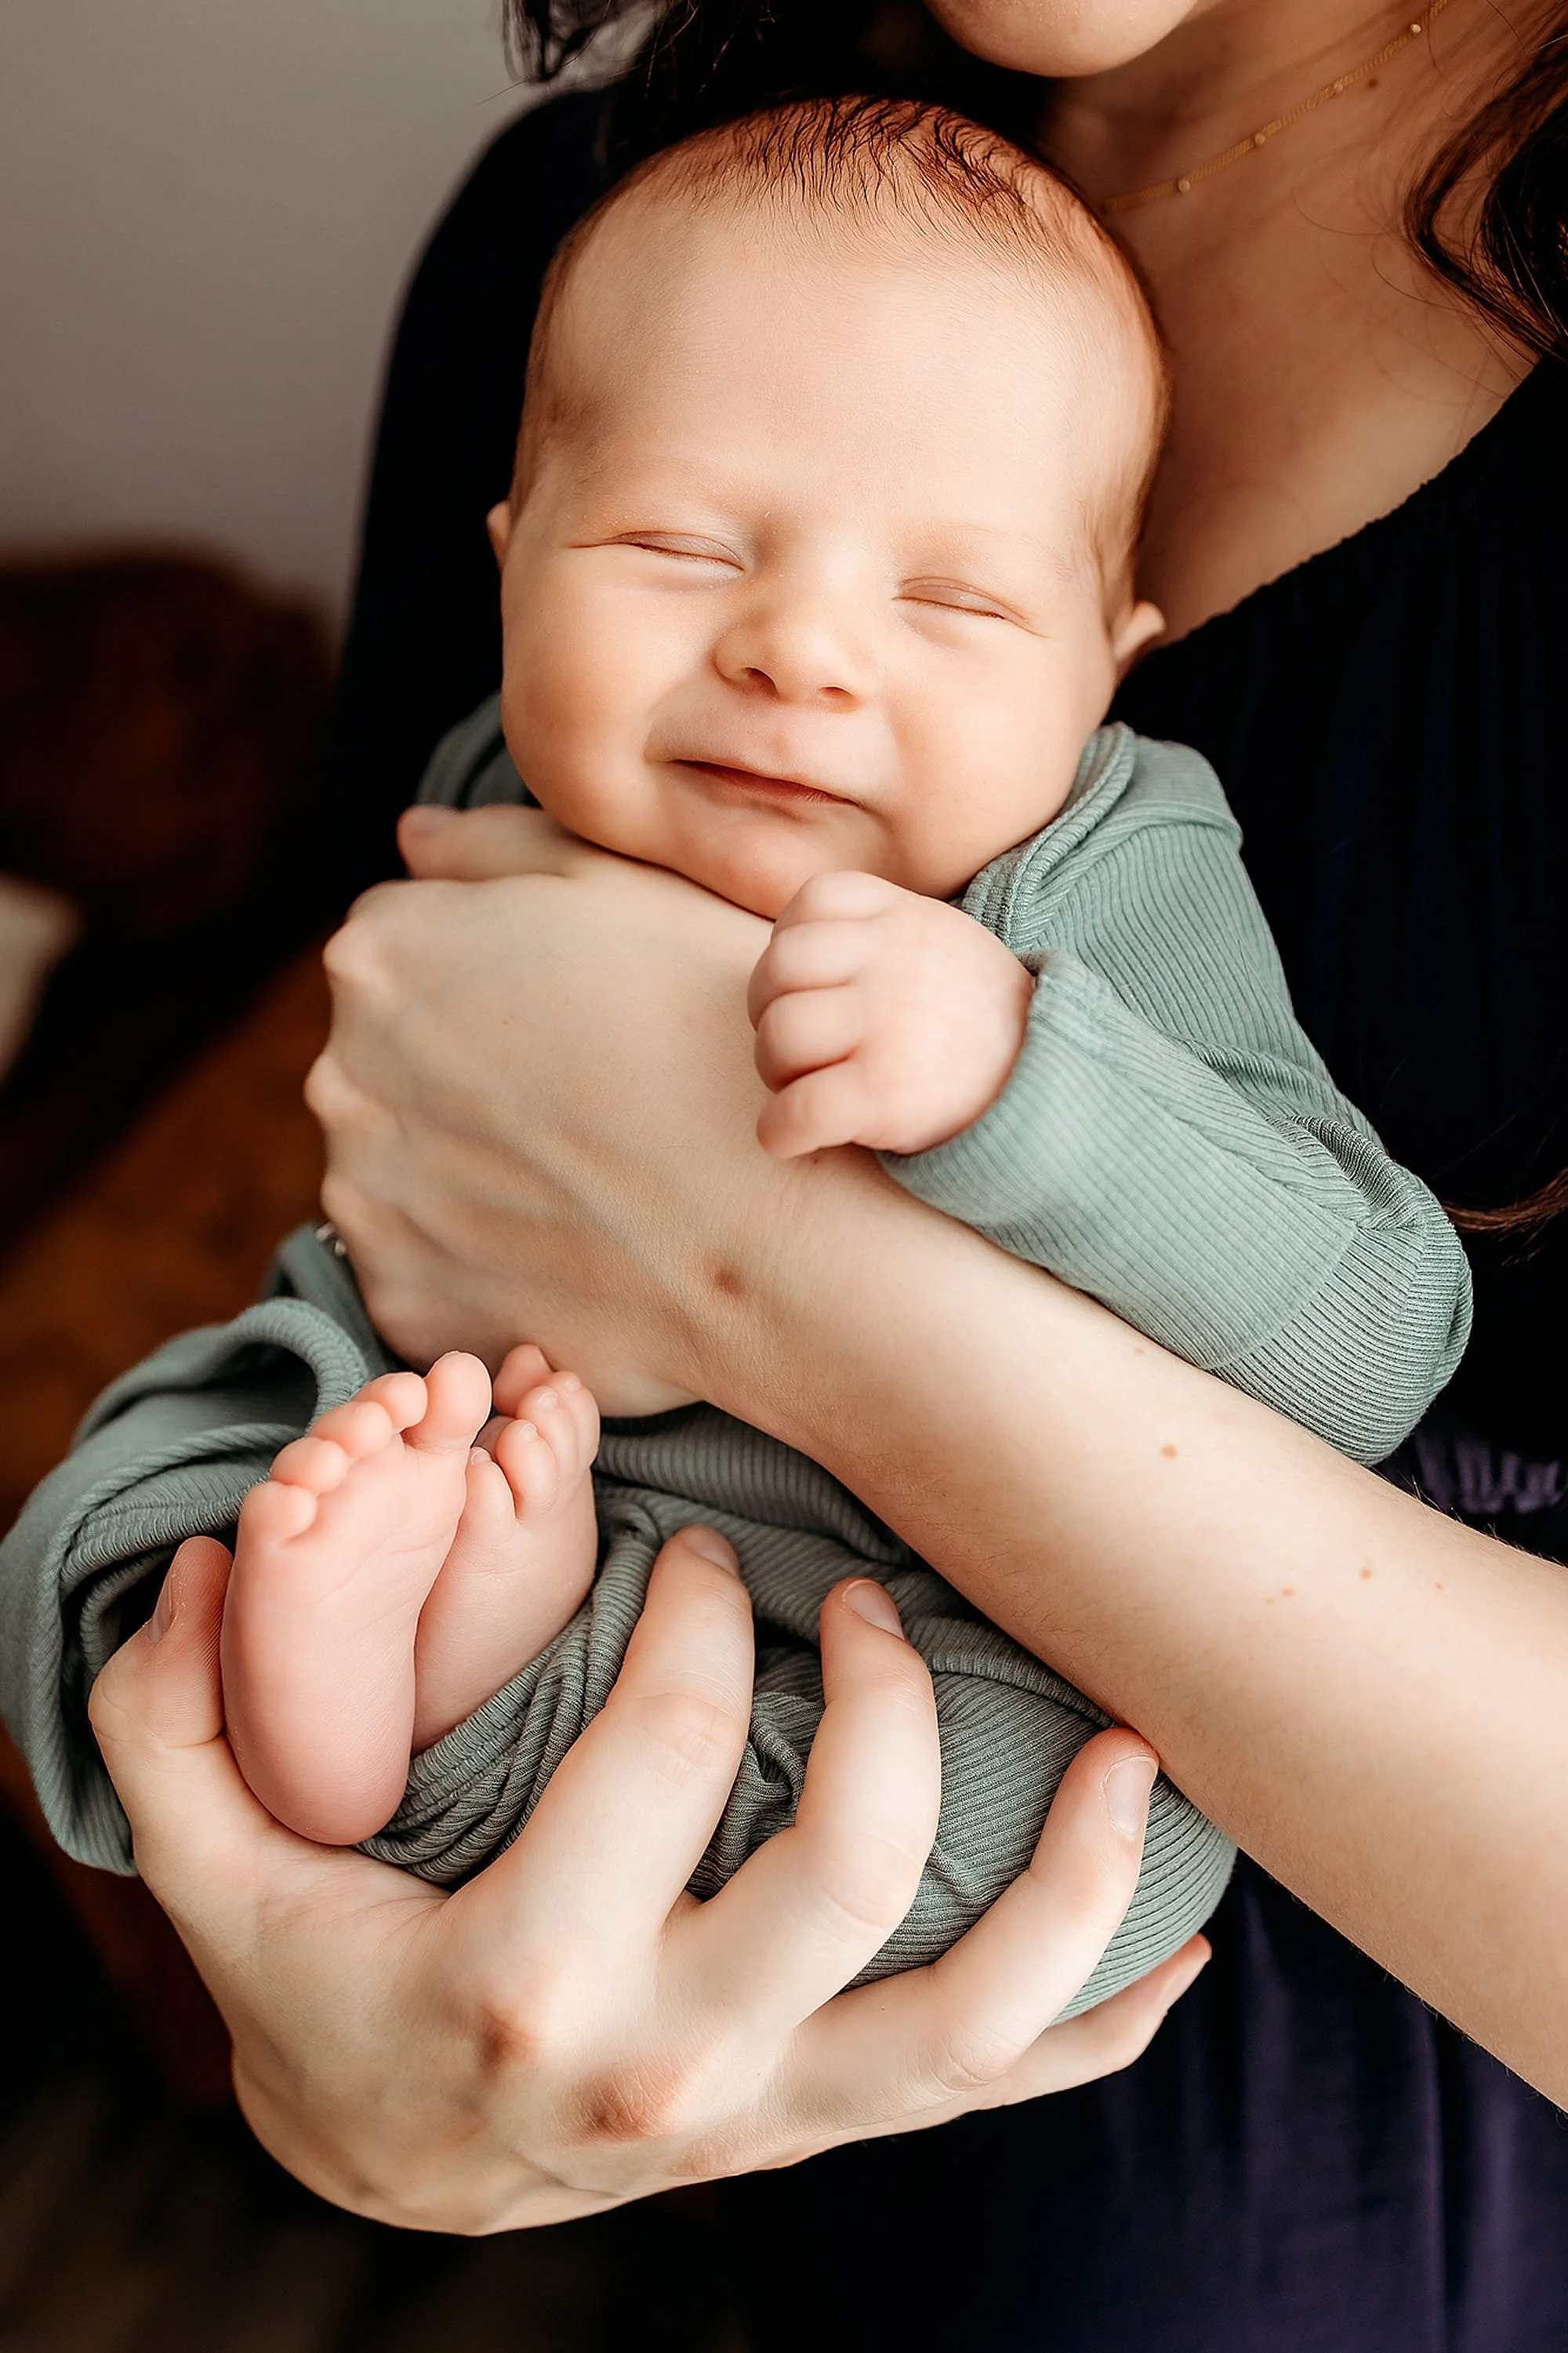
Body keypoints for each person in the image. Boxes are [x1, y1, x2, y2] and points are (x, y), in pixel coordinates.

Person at [16, 1, 1568, 2346]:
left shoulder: (1107, 873)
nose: (799, 662)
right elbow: (370, 1182)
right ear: (516, 546)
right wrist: (336, 2058)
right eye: (670, 544)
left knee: (1072, 1824)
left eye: (953, 604)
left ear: (1111, 663)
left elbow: (1358, 1327)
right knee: (176, 1481)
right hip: (564, 1640)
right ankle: (355, 1701)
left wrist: (993, 1103)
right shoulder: (599, 256)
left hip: (1077, 1883)